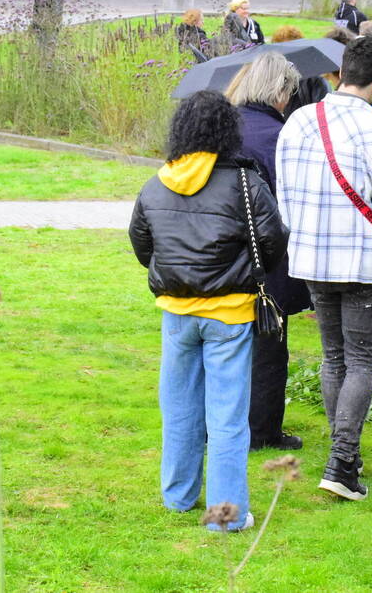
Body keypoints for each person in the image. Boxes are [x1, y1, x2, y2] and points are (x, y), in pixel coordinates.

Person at [128, 90, 289, 533]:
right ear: (227, 131)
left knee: (178, 408)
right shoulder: (244, 183)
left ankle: (178, 497)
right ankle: (225, 516)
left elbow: (143, 244)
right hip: (230, 315)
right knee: (228, 418)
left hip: (177, 313)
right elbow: (273, 241)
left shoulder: (157, 181)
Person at [276, 36, 372, 502]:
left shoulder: (299, 121)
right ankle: (342, 461)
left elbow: (284, 199)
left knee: (334, 357)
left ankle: (345, 455)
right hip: (365, 263)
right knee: (360, 361)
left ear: (341, 71)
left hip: (312, 259)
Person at [224, 53, 310, 452]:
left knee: (224, 346)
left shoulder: (220, 127)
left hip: (218, 253)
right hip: (263, 255)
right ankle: (261, 431)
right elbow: (288, 203)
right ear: (279, 91)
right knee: (268, 344)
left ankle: (222, 423)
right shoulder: (280, 137)